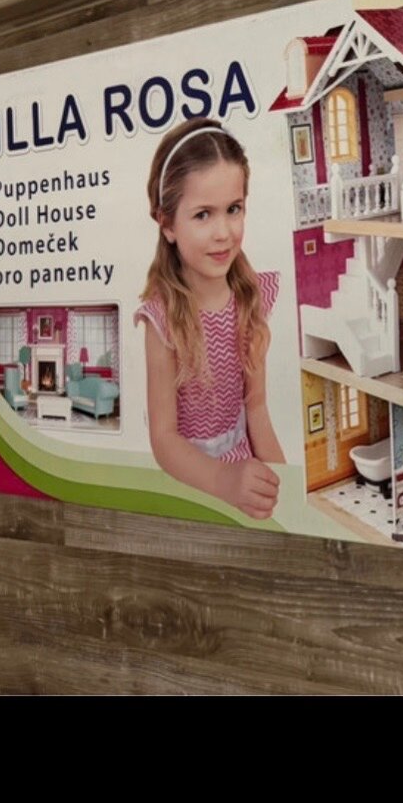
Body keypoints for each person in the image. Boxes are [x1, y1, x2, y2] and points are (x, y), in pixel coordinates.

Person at [135, 116, 284, 521]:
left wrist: (286, 490)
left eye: (233, 209)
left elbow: (257, 409)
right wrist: (223, 480)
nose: (223, 233)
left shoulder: (251, 299)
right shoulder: (161, 320)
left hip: (243, 470)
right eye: (203, 215)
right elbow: (164, 439)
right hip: (192, 482)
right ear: (167, 223)